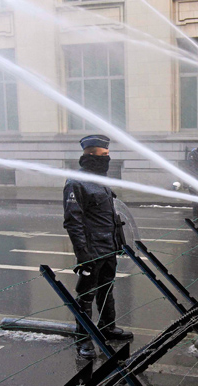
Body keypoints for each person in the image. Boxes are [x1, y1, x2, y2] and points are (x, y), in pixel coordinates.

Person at [63, 135, 133, 359]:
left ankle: (107, 327)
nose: (108, 159)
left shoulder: (101, 180)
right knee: (86, 295)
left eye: (108, 154)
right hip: (92, 250)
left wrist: (118, 242)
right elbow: (73, 222)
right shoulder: (76, 182)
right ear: (90, 155)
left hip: (109, 246)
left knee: (106, 288)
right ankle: (83, 339)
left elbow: (110, 215)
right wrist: (83, 255)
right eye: (104, 155)